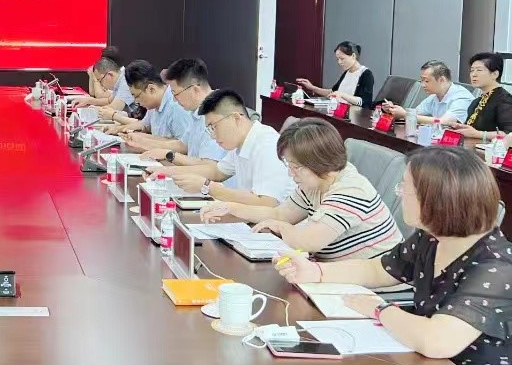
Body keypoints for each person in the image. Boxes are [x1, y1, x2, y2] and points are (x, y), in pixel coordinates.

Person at [274, 146, 512, 365]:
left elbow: (437, 340)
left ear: (437, 200)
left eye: (406, 188)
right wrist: (316, 272)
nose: (399, 194)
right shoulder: (431, 239)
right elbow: (379, 269)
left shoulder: (496, 267)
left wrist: (380, 310)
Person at [200, 117, 402, 260]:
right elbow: (281, 214)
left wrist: (281, 227)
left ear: (318, 161)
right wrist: (231, 208)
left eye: (296, 167)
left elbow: (308, 242)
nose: (291, 174)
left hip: (373, 289)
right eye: (289, 165)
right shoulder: (317, 180)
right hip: (333, 275)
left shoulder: (350, 190)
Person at [170, 89, 295, 207]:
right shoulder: (240, 143)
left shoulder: (267, 145)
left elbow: (266, 203)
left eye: (214, 127)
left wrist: (207, 187)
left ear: (236, 118)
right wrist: (169, 172)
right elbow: (217, 172)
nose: (213, 136)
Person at [143, 57, 226, 168]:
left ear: (195, 89)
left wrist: (169, 155)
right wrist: (146, 143)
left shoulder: (217, 113)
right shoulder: (196, 111)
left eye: (176, 94)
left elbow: (209, 166)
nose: (174, 100)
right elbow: (183, 144)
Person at [112, 60, 189, 154]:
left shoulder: (177, 106)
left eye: (137, 96)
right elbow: (145, 125)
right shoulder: (153, 104)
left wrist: (145, 142)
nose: (136, 101)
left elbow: (184, 147)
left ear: (151, 89)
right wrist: (120, 129)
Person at [382, 59, 474, 126]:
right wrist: (394, 110)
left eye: (426, 81)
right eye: (421, 81)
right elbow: (415, 114)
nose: (422, 85)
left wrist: (406, 114)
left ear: (441, 80)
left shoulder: (462, 97)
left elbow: (444, 122)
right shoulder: (434, 97)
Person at [448, 51, 512, 141]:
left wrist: (479, 134)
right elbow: (472, 130)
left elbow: (509, 133)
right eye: (472, 70)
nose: (474, 74)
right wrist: (460, 128)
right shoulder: (476, 102)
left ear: (495, 74)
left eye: (479, 70)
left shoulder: (505, 100)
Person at [296, 41, 374, 108]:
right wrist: (312, 87)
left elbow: (364, 102)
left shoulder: (366, 74)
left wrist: (342, 95)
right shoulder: (347, 72)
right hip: (338, 111)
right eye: (337, 59)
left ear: (353, 56)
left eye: (342, 58)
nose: (339, 62)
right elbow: (333, 92)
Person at [69, 56, 135, 111]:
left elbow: (114, 108)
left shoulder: (125, 81)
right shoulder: (119, 80)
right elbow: (109, 101)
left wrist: (91, 109)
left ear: (110, 75)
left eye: (100, 80)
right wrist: (88, 101)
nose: (100, 85)